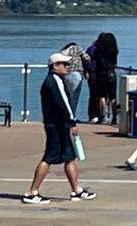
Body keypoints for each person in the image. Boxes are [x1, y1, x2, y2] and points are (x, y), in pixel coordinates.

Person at [22, 53, 96, 204]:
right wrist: (72, 122)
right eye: (64, 64)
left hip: (57, 124)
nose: (67, 67)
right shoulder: (55, 81)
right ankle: (32, 192)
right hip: (56, 125)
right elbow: (64, 103)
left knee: (69, 156)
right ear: (55, 66)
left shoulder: (54, 80)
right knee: (49, 157)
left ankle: (77, 190)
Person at [88, 32, 119, 125]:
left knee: (102, 96)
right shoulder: (114, 51)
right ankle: (114, 117)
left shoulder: (99, 50)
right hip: (112, 73)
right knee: (113, 97)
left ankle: (103, 116)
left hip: (101, 73)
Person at [60, 42, 90, 117]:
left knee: (65, 96)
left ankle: (64, 115)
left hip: (65, 75)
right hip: (76, 74)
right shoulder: (77, 48)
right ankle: (72, 116)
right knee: (74, 97)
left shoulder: (64, 51)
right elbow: (87, 58)